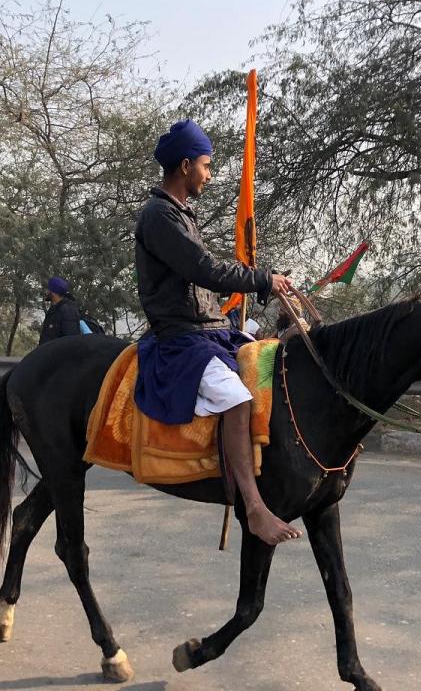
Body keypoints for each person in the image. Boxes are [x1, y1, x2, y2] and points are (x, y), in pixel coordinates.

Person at [133, 119, 301, 546]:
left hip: (210, 331)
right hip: (180, 338)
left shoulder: (181, 214)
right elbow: (203, 270)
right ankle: (255, 507)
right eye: (206, 166)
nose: (209, 174)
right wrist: (264, 279)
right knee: (237, 398)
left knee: (273, 367)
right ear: (186, 165)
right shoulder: (158, 216)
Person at [39, 276, 81, 345]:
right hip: (47, 354)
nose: (45, 291)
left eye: (48, 289)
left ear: (53, 292)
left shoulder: (68, 311)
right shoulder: (54, 309)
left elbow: (70, 342)